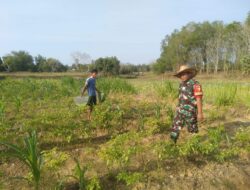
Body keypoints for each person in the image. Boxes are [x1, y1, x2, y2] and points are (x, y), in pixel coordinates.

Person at [170, 65, 204, 143]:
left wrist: (200, 113)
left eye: (183, 74)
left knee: (192, 129)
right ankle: (172, 143)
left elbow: (199, 99)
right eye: (180, 75)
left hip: (190, 112)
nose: (181, 76)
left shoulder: (196, 84)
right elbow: (180, 97)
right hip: (180, 110)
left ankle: (194, 145)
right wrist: (178, 106)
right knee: (175, 127)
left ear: (189, 73)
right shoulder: (181, 84)